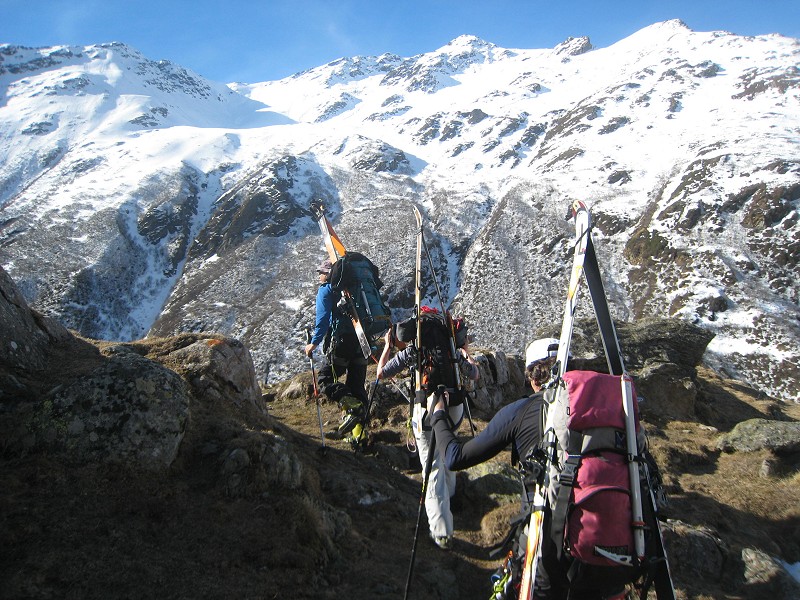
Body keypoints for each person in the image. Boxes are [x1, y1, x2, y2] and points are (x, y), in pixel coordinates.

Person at [429, 337, 627, 600]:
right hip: (614, 553)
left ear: (532, 378)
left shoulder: (521, 411)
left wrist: (439, 416)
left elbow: (456, 457)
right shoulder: (611, 412)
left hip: (547, 549)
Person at [376, 310, 479, 550]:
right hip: (454, 409)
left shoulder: (414, 351)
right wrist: (465, 353)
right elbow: (474, 374)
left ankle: (441, 531)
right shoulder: (450, 350)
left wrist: (387, 347)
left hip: (427, 411)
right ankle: (451, 497)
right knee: (449, 451)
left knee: (432, 468)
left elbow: (381, 373)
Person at [304, 258, 368, 449]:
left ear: (329, 274)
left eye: (321, 272)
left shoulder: (326, 291)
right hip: (362, 340)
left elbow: (322, 321)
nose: (319, 276)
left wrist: (313, 344)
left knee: (325, 380)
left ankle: (351, 406)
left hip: (342, 343)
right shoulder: (354, 288)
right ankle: (360, 436)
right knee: (357, 387)